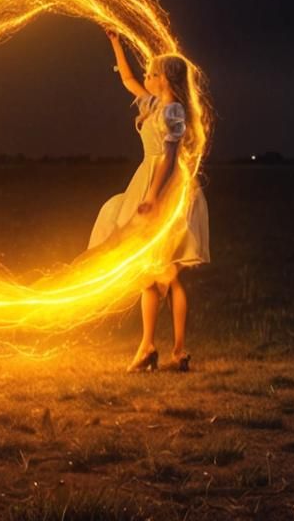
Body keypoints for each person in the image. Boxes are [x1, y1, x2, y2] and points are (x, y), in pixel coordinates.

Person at [87, 29, 210, 372]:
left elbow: (170, 157)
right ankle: (149, 347)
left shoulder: (172, 111)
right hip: (147, 181)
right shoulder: (155, 104)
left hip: (164, 187)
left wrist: (154, 197)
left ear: (165, 78)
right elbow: (126, 79)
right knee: (150, 273)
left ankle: (178, 350)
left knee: (167, 274)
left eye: (152, 73)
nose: (146, 76)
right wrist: (114, 41)